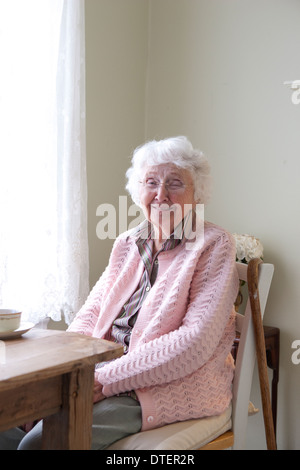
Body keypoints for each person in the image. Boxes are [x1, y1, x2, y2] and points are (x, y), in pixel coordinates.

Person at [0, 136, 239, 450]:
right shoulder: (128, 242)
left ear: (198, 194)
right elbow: (91, 314)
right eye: (151, 182)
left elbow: (193, 344)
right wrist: (62, 372)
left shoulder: (214, 244)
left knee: (40, 444)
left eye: (175, 183)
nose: (161, 194)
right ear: (138, 190)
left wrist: (107, 380)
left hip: (162, 385)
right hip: (103, 372)